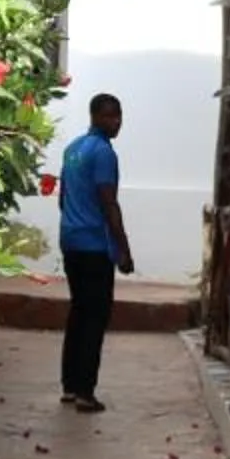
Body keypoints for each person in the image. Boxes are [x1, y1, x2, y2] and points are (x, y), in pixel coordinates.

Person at [58, 93, 133, 411]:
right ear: (94, 116)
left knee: (78, 312)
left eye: (118, 116)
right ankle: (86, 392)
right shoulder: (103, 153)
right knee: (94, 318)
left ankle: (70, 386)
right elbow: (109, 203)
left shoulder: (73, 149)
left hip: (70, 241)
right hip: (93, 246)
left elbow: (63, 197)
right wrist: (123, 248)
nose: (114, 122)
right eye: (108, 116)